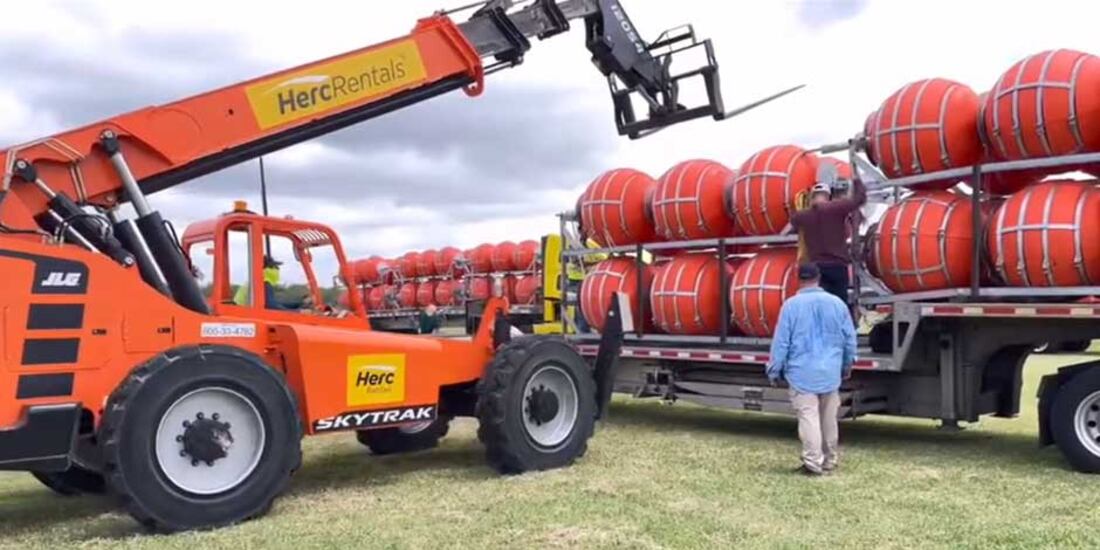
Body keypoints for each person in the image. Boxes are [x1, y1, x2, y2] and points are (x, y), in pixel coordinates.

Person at [766, 263, 857, 476]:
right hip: (830, 371)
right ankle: (829, 460)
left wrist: (774, 369)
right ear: (819, 278)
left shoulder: (791, 306)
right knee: (828, 419)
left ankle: (813, 462)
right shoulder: (837, 304)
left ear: (798, 279)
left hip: (802, 372)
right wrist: (847, 364)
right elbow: (849, 339)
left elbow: (782, 342)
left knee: (809, 417)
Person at [789, 176, 866, 306]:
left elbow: (793, 222)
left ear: (812, 197)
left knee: (820, 304)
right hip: (837, 266)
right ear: (828, 196)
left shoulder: (803, 215)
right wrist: (856, 180)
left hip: (817, 268)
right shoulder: (836, 207)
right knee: (839, 304)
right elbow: (859, 200)